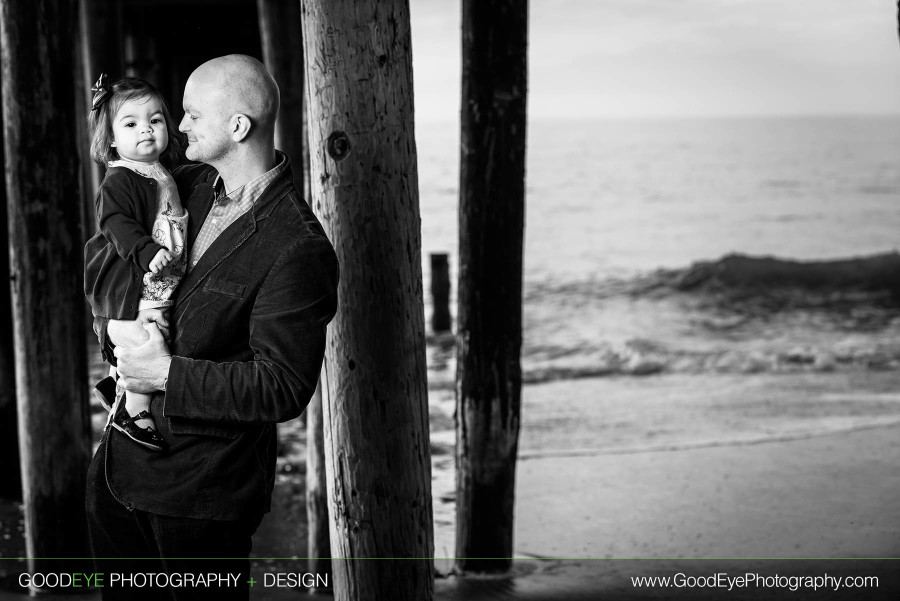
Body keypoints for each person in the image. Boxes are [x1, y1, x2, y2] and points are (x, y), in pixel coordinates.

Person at [84, 55, 339, 601]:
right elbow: (112, 261)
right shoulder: (185, 186)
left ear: (238, 127)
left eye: (192, 114)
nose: (177, 127)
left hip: (200, 496)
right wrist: (114, 336)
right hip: (117, 476)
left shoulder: (296, 246)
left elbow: (282, 386)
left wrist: (164, 374)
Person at [84, 74, 188, 453]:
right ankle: (133, 409)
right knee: (151, 336)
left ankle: (116, 381)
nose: (146, 129)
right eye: (131, 124)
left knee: (157, 330)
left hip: (163, 269)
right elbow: (116, 225)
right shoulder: (119, 179)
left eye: (156, 119)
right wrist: (145, 252)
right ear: (111, 138)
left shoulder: (161, 169)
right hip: (142, 275)